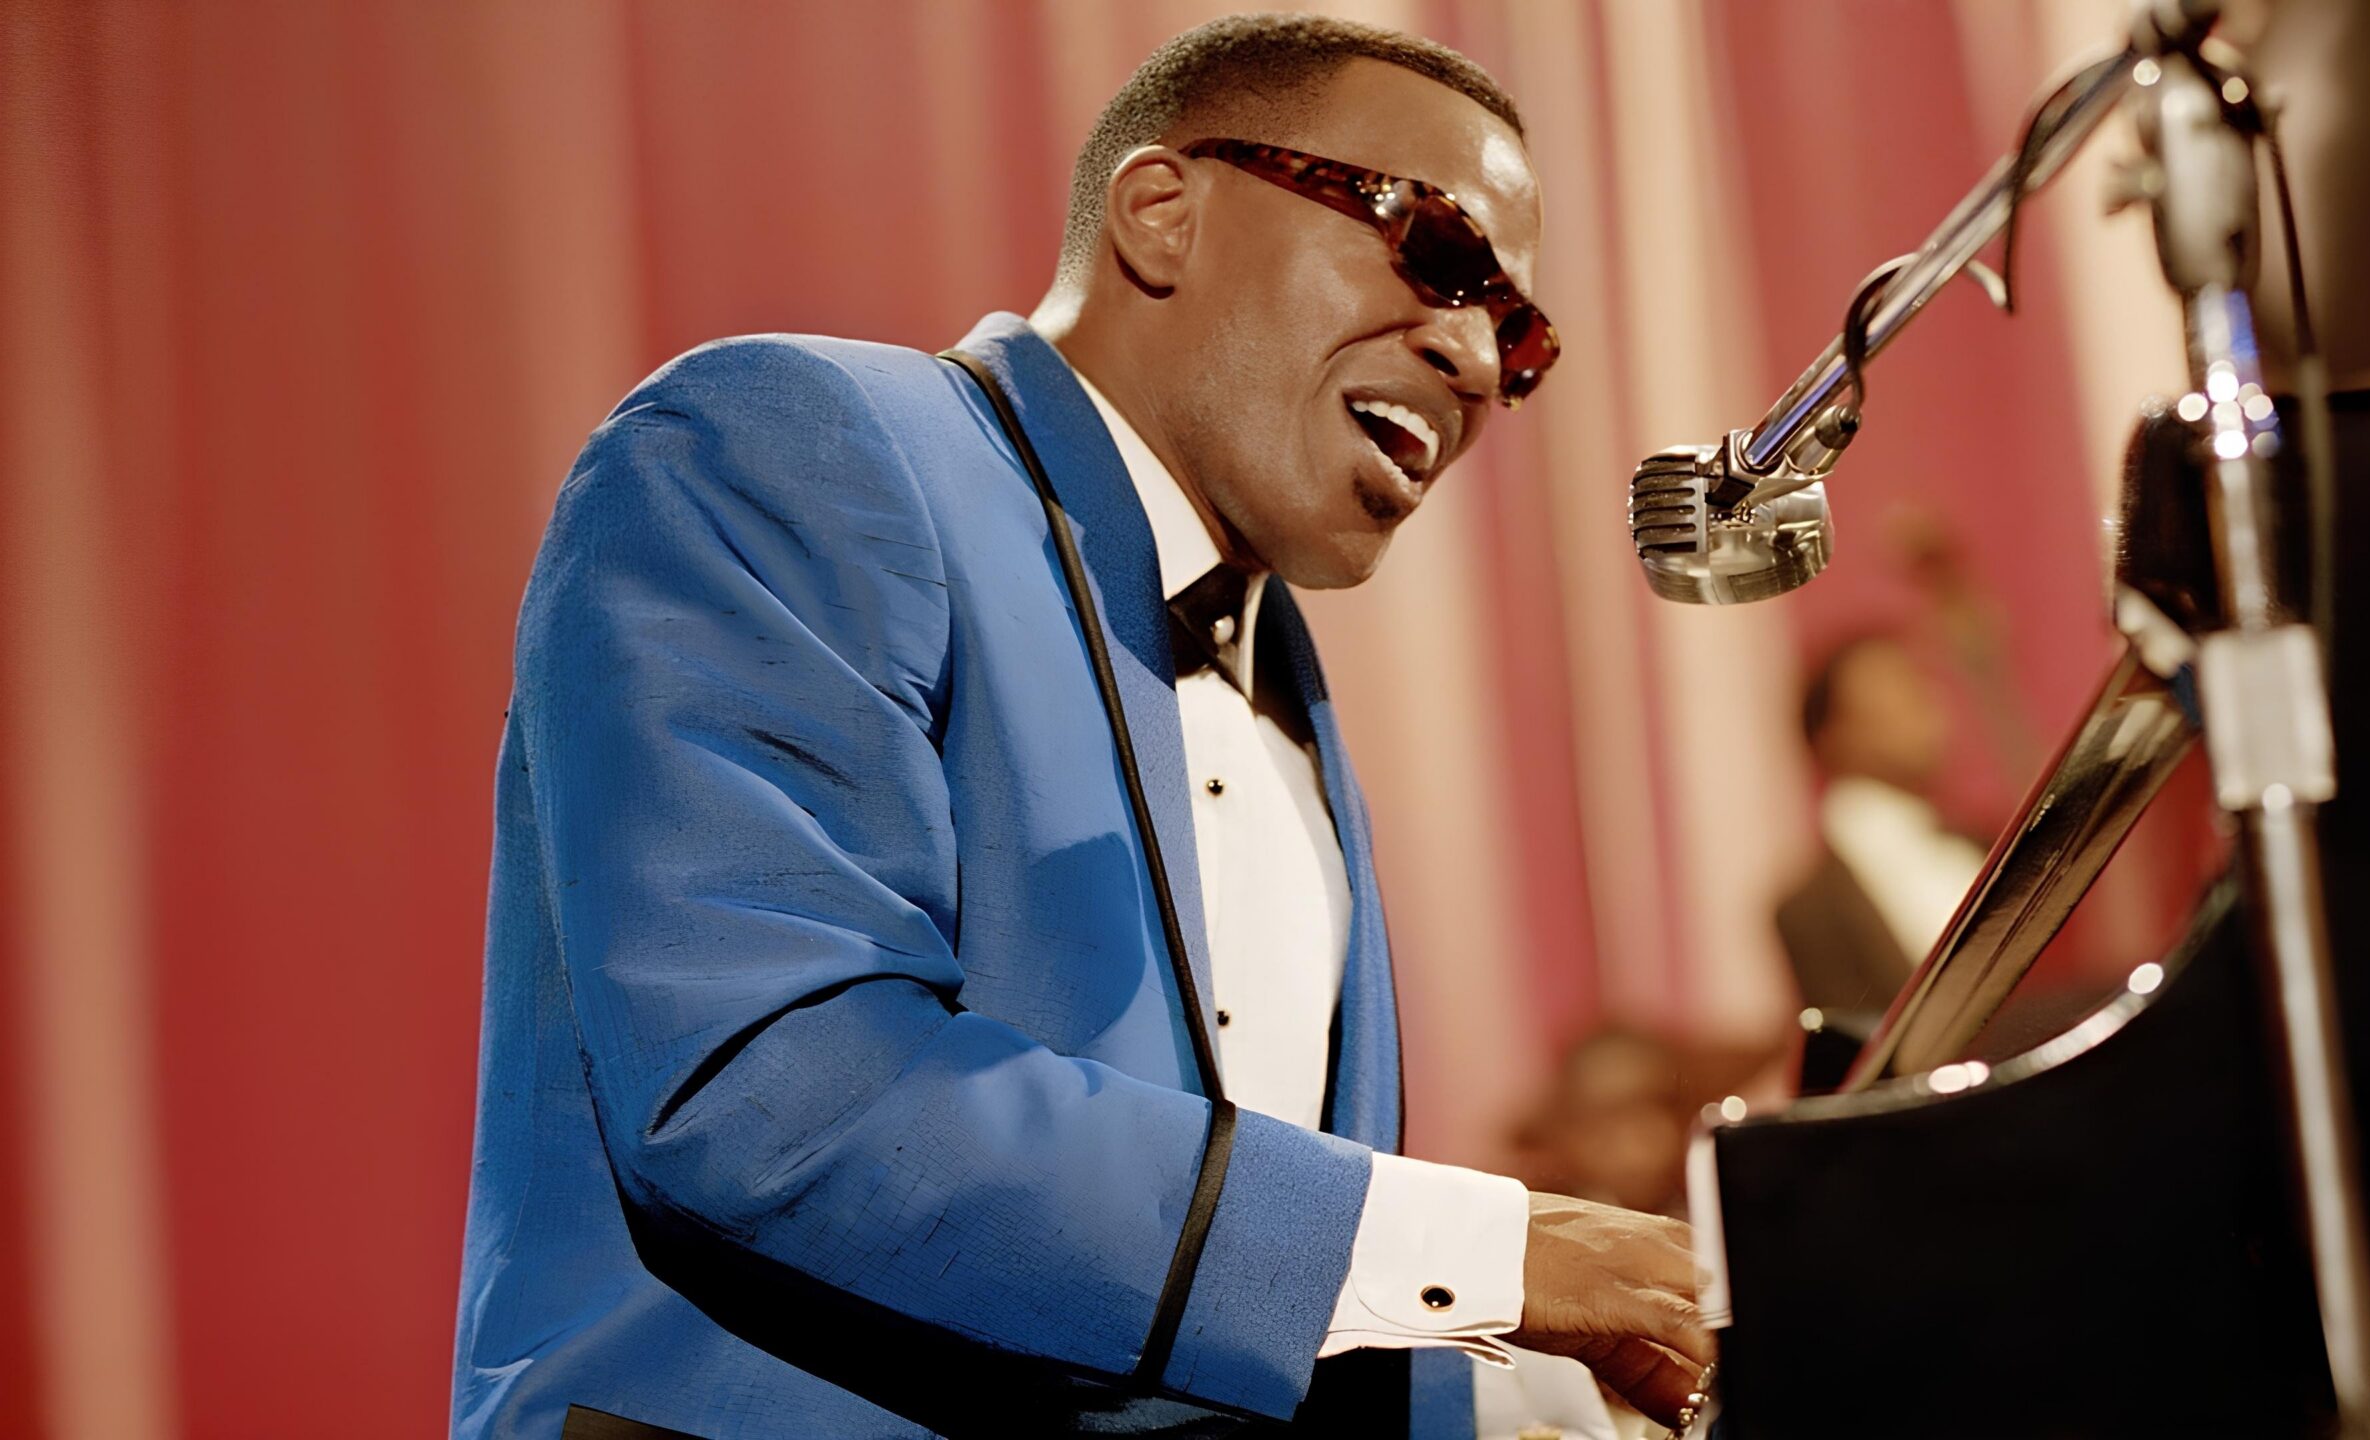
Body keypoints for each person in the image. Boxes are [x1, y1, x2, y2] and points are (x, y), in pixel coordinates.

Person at [452, 15, 1711, 1440]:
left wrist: (1553, 1391)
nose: (1478, 359)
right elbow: (773, 1092)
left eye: (1521, 336)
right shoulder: (792, 441)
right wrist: (1476, 1249)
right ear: (1162, 212)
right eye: (1438, 253)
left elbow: (1200, 1291)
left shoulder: (1284, 681)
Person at [1773, 633, 1986, 1022]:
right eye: (1891, 688)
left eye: (1916, 683)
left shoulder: (1981, 844)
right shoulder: (1809, 911)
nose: (1924, 702)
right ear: (1833, 735)